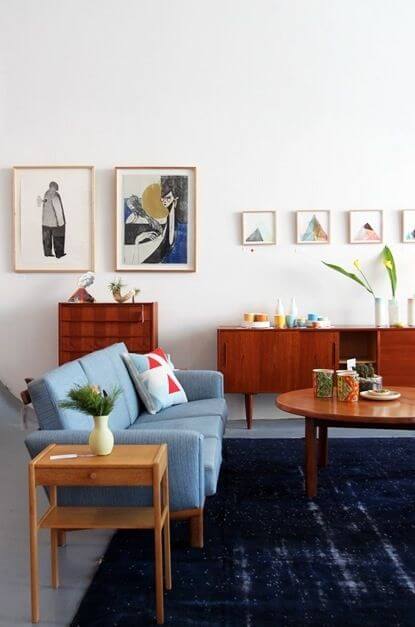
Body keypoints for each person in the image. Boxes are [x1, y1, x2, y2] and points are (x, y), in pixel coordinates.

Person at [38, 181, 66, 258]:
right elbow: (59, 210)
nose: (54, 191)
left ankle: (47, 253)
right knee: (58, 237)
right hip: (55, 223)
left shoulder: (46, 194)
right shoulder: (55, 196)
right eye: (54, 189)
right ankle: (59, 254)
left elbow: (43, 203)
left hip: (45, 222)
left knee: (46, 238)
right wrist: (61, 223)